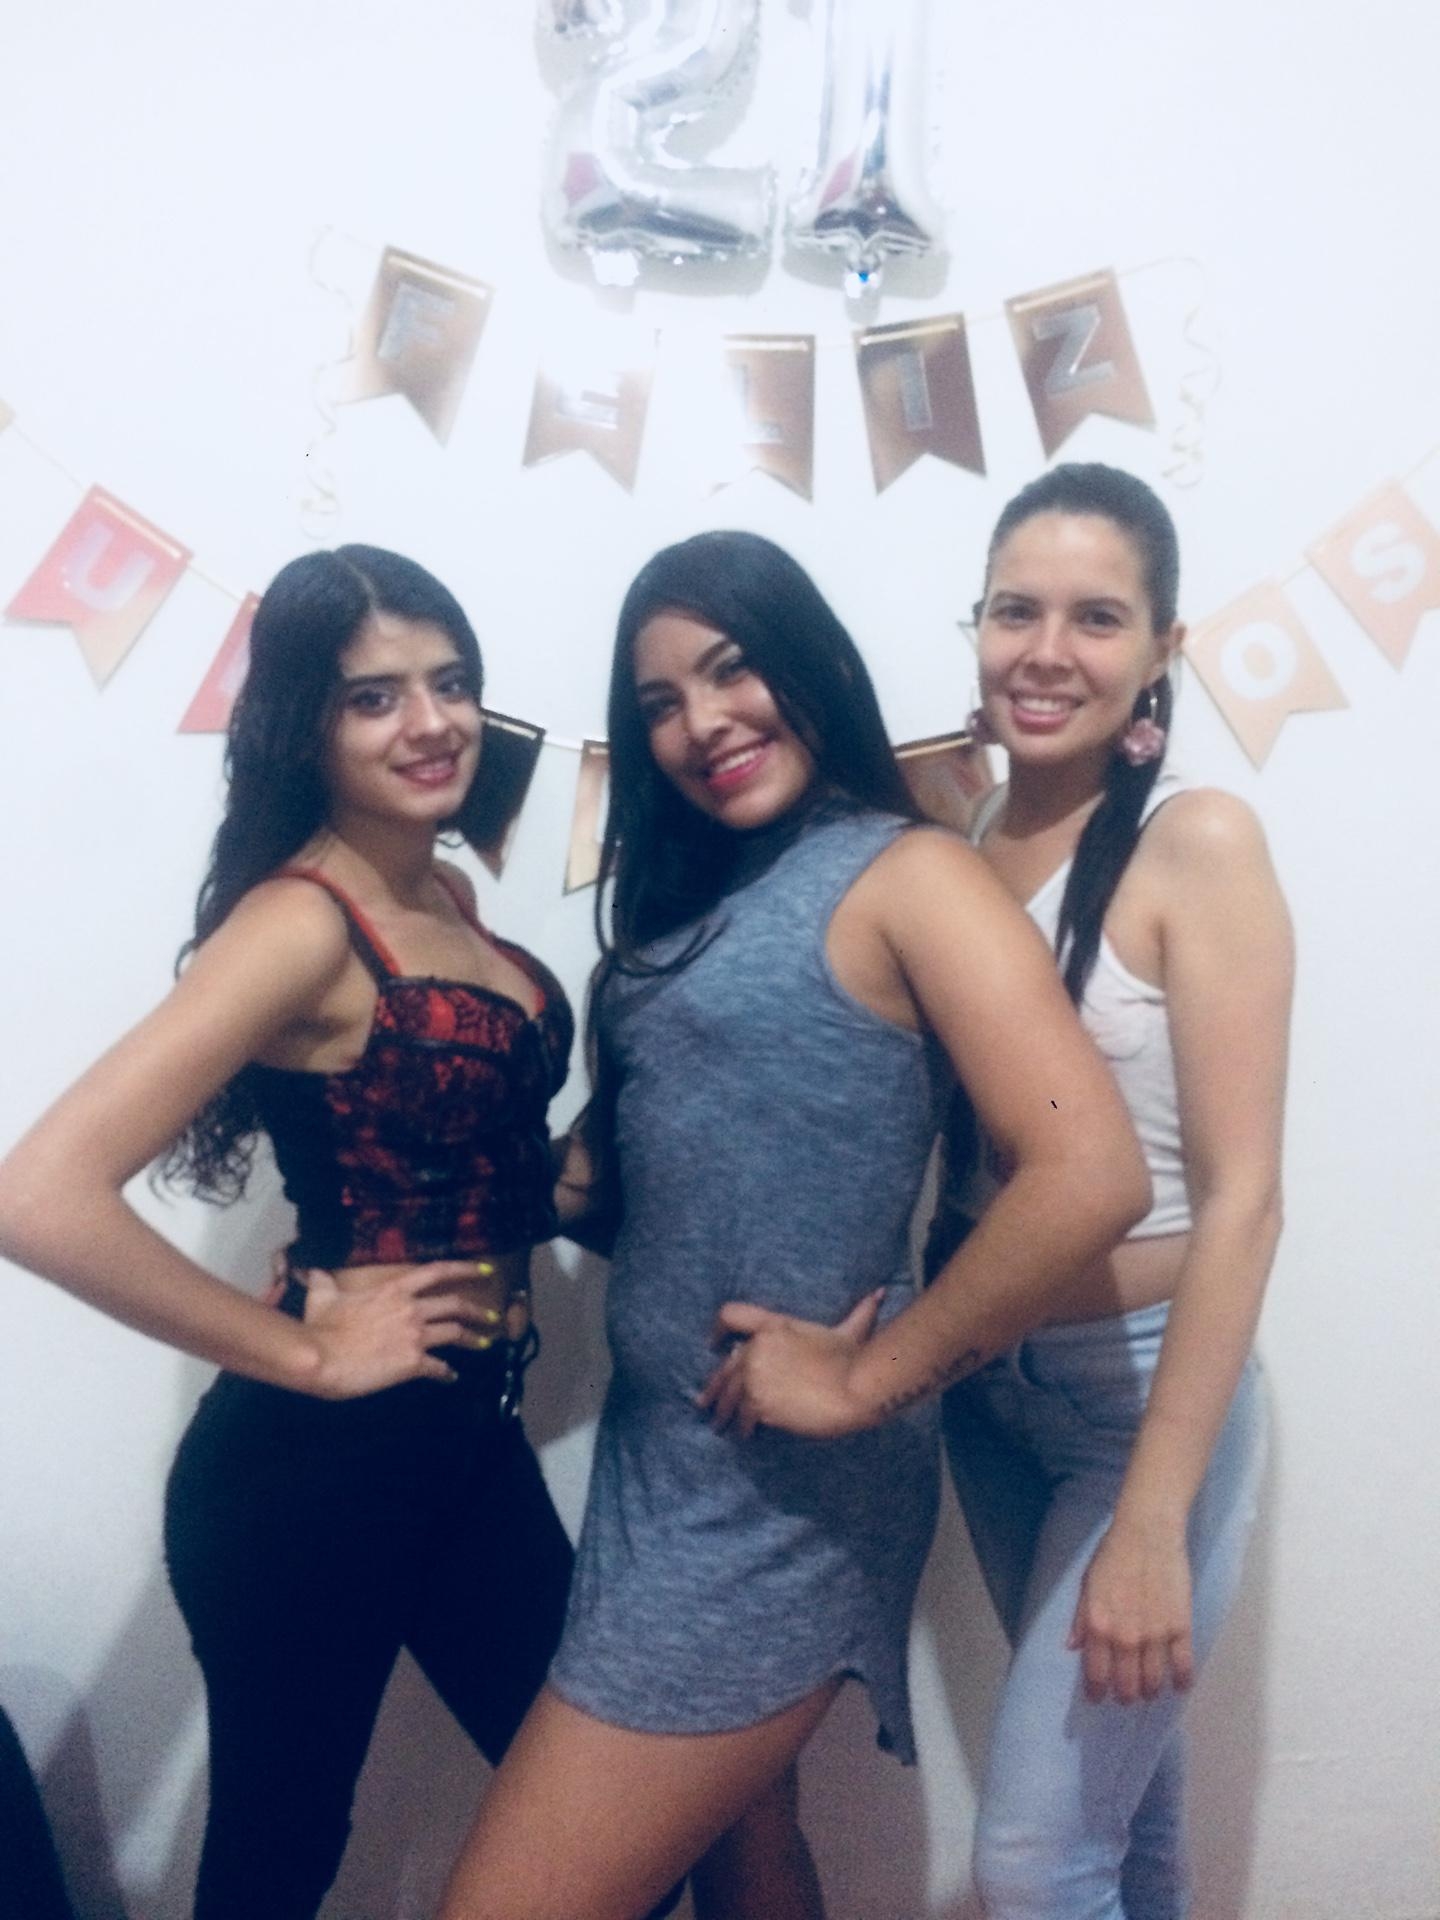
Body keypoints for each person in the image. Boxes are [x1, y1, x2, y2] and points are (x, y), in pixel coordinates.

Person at [437, 529, 1151, 1920]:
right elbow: (620, 1179)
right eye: (661, 703)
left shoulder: (910, 876)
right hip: (661, 1461)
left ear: (810, 664)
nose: (702, 722)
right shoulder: (692, 904)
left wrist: (870, 1378)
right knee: (749, 1857)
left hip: (779, 1497)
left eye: (733, 670)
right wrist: (373, 1224)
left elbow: (1090, 1171)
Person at [0, 547, 578, 1920]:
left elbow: (477, 1158)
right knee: (279, 1855)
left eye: (450, 683)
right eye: (374, 697)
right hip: (312, 1472)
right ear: (304, 729)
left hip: (464, 1438)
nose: (430, 722)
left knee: (600, 1818)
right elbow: (37, 1194)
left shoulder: (443, 898)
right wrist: (311, 1354)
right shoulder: (300, 924)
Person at [924, 464, 1290, 1919]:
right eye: (1016, 610)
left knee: (1031, 1859)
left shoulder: (1197, 843)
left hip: (1142, 1401)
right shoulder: (957, 843)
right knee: (1121, 1822)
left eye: (1096, 617)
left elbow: (1245, 1203)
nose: (1046, 651)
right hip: (986, 1394)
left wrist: (1151, 1517)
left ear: (1161, 650)